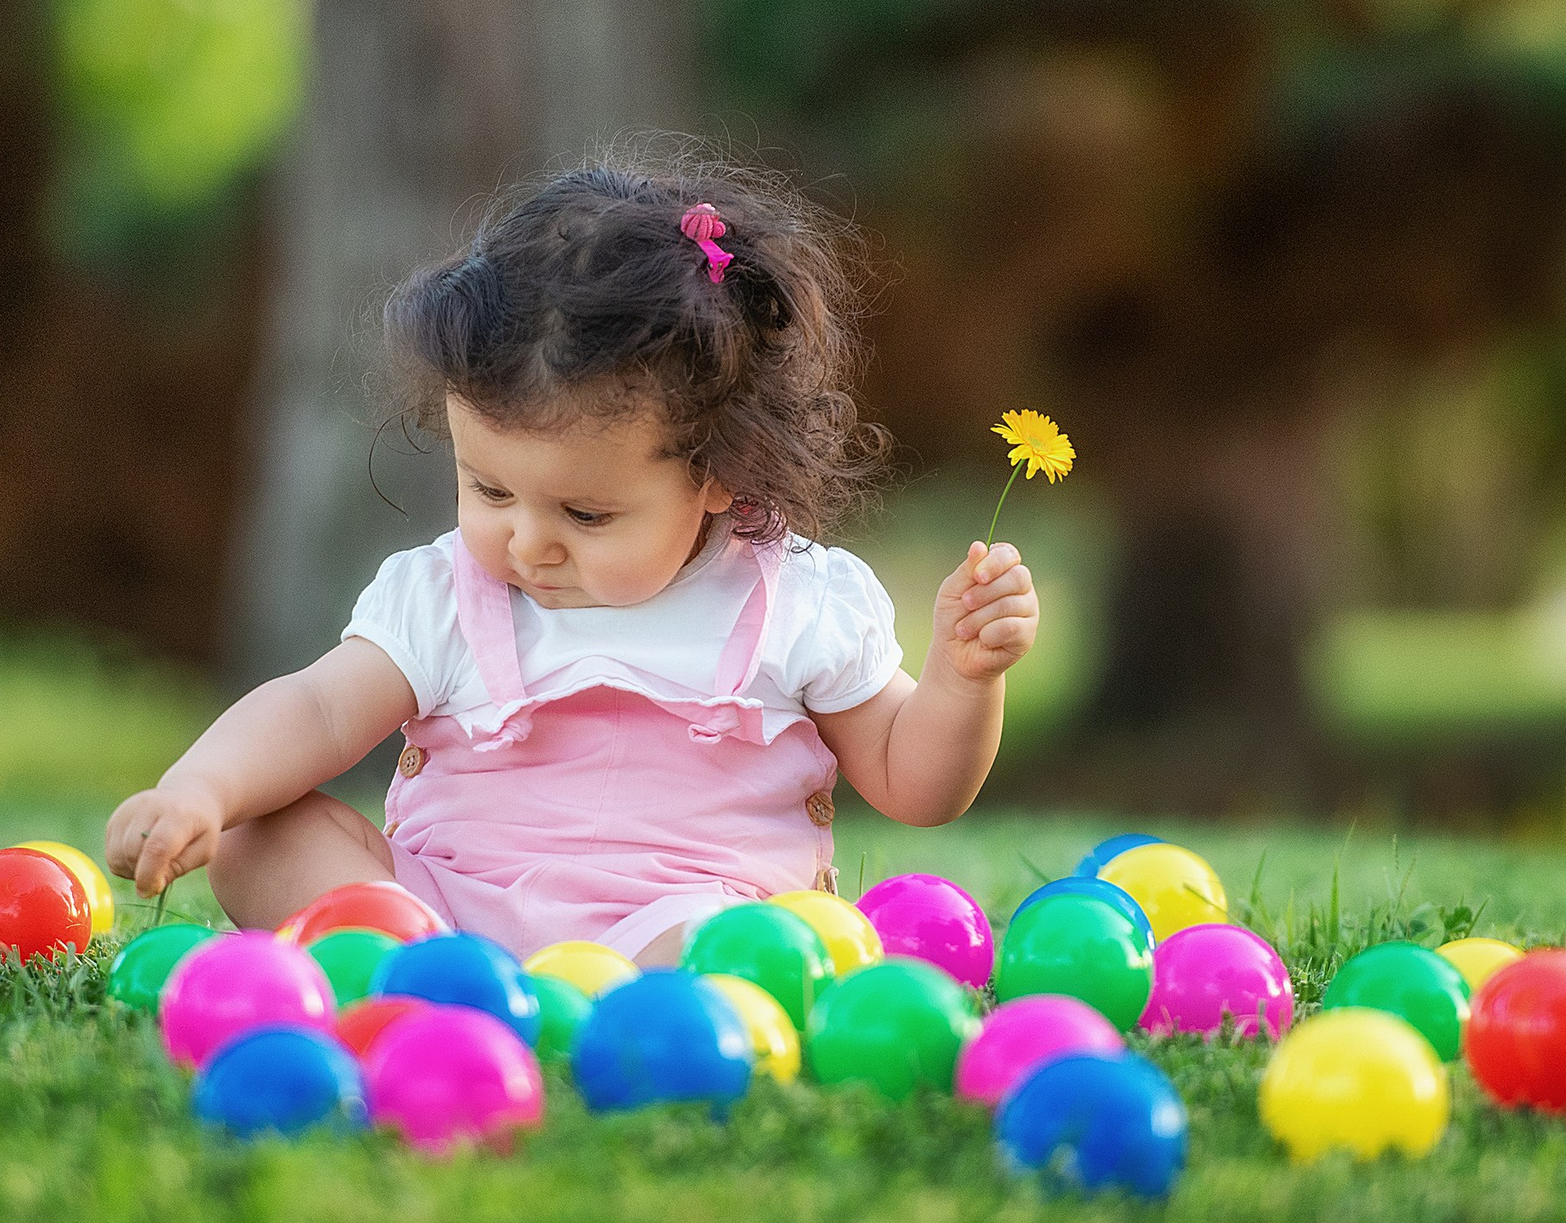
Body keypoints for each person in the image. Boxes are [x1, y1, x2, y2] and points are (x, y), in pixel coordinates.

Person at [105, 153, 1040, 965]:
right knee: (261, 838)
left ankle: (640, 1000)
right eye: (490, 491)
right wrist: (202, 786)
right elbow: (315, 705)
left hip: (681, 921)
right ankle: (416, 967)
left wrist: (964, 679)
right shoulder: (446, 595)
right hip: (441, 915)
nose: (526, 541)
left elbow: (914, 784)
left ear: (720, 472)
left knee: (749, 948)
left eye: (586, 513)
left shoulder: (791, 598)